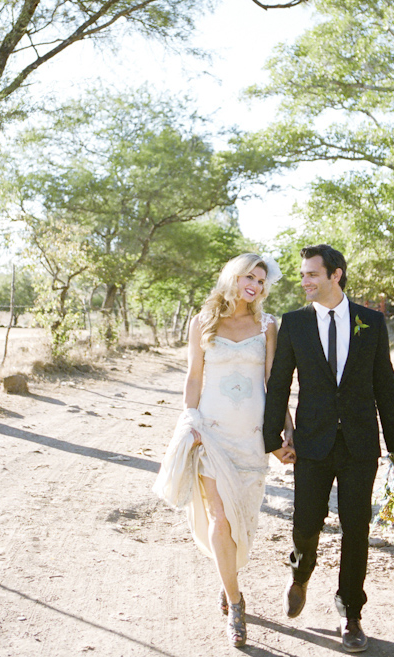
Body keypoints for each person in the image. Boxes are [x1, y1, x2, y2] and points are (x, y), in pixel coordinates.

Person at [263, 244, 394, 654]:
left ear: (335, 275)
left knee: (356, 529)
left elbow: (385, 386)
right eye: (303, 274)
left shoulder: (371, 322)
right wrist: (273, 440)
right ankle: (301, 572)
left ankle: (350, 613)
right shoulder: (294, 323)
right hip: (312, 442)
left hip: (361, 443)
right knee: (307, 521)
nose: (304, 281)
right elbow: (279, 385)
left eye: (311, 274)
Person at [153, 253, 295, 648]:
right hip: (210, 434)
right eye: (249, 276)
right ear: (233, 276)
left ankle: (227, 576)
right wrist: (190, 421)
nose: (255, 285)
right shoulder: (202, 323)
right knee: (219, 516)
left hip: (251, 437)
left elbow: (273, 381)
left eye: (262, 281)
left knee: (242, 523)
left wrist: (288, 430)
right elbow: (194, 378)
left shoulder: (268, 325)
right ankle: (235, 603)